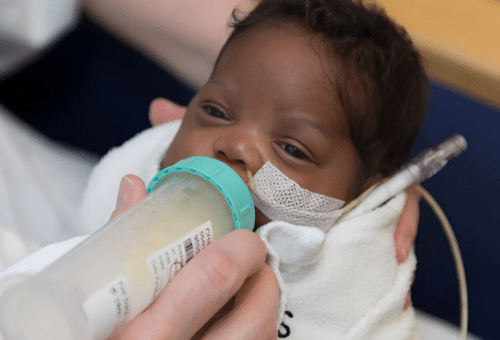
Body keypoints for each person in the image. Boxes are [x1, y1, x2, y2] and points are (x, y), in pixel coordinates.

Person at [0, 0, 424, 339]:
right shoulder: (133, 184)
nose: (236, 144)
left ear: (365, 195)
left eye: (292, 148)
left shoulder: (347, 287)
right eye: (216, 111)